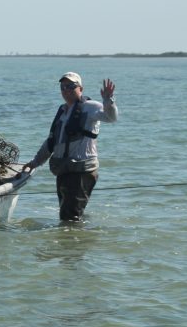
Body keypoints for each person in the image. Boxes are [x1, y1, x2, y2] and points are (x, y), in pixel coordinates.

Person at [23, 72, 118, 221]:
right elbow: (51, 142)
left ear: (81, 88)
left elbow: (111, 118)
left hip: (81, 172)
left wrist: (108, 100)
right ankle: (79, 239)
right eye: (63, 87)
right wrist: (34, 163)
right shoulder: (62, 111)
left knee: (69, 218)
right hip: (63, 171)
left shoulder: (90, 107)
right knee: (70, 215)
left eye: (71, 86)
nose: (66, 90)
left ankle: (73, 243)